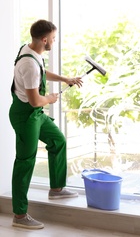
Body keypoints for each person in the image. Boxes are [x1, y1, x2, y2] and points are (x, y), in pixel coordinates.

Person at [9, 19, 83, 229]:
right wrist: (50, 99)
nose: (54, 41)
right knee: (25, 161)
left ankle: (57, 189)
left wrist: (65, 79)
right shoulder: (29, 64)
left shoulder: (31, 51)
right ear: (44, 39)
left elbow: (42, 73)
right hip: (25, 116)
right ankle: (20, 215)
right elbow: (35, 100)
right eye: (53, 38)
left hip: (35, 114)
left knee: (57, 140)